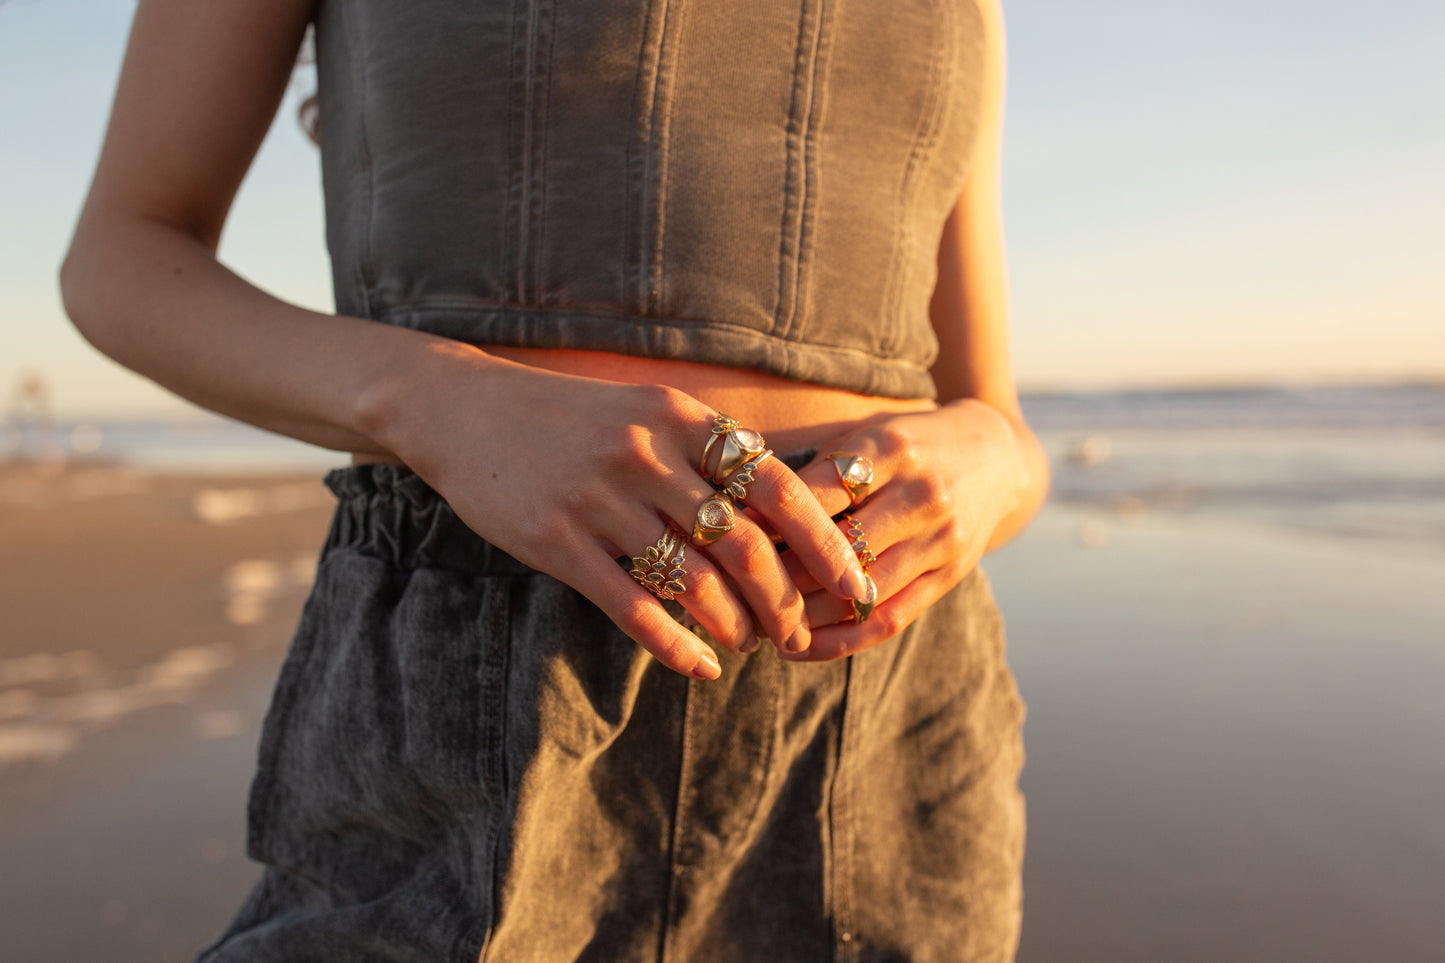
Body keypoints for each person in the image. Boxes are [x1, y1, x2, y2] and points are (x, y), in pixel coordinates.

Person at [60, 1, 1049, 960]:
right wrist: (437, 404)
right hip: (481, 646)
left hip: (884, 687)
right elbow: (122, 256)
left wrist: (992, 461)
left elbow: (992, 415)